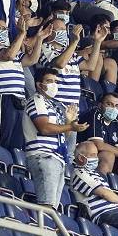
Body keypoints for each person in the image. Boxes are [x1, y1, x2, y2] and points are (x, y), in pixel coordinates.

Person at [39, 20, 108, 160]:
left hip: (73, 110)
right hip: (56, 107)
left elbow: (90, 66)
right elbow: (59, 63)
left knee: (69, 154)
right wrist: (74, 42)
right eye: (59, 29)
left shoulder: (72, 54)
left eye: (64, 29)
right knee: (55, 148)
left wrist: (98, 42)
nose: (63, 32)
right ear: (49, 32)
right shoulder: (44, 49)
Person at [23, 67, 88, 210]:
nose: (54, 85)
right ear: (39, 85)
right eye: (49, 81)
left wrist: (68, 123)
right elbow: (44, 128)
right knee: (47, 206)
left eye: (56, 82)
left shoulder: (53, 106)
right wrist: (70, 126)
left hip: (56, 159)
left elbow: (62, 137)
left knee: (52, 207)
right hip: (44, 156)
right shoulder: (37, 101)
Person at [0, 18, 51, 148]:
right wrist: (21, 33)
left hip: (20, 100)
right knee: (2, 138)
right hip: (3, 97)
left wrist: (39, 39)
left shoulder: (14, 52)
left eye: (5, 28)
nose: (3, 31)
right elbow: (8, 55)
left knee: (17, 143)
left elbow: (32, 60)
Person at [70, 141, 118, 234]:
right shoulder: (80, 173)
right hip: (101, 215)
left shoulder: (96, 174)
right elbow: (104, 193)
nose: (96, 158)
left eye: (96, 155)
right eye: (92, 155)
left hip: (115, 212)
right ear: (81, 158)